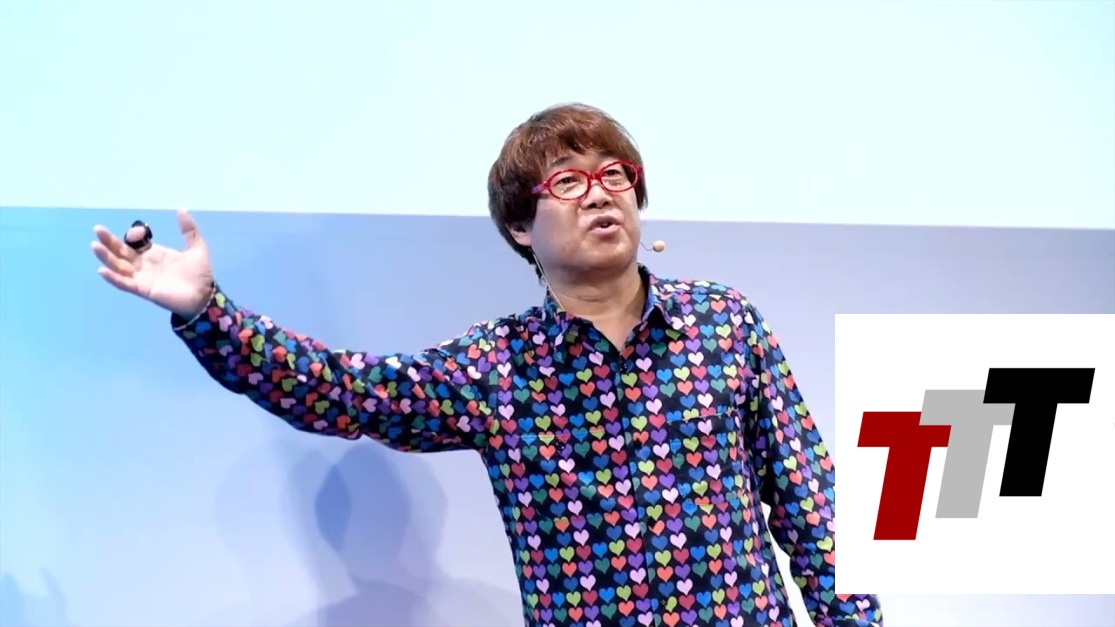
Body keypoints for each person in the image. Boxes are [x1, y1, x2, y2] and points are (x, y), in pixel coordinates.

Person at [90, 103, 883, 627]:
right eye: (567, 181)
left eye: (615, 175)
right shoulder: (498, 367)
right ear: (518, 228)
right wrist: (209, 312)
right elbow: (347, 392)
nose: (599, 194)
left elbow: (811, 504)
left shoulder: (724, 323)